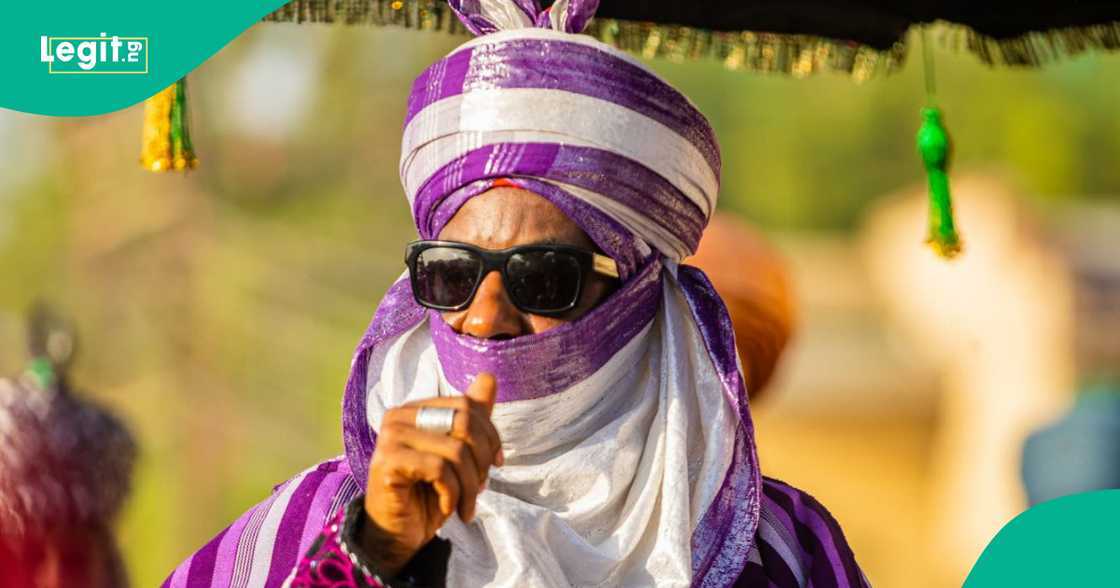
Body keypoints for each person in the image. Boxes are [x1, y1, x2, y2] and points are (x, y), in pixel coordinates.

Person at [164, 1, 867, 586]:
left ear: (638, 303)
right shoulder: (321, 522)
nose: (485, 318)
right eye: (452, 274)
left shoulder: (780, 553)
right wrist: (373, 553)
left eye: (544, 278)